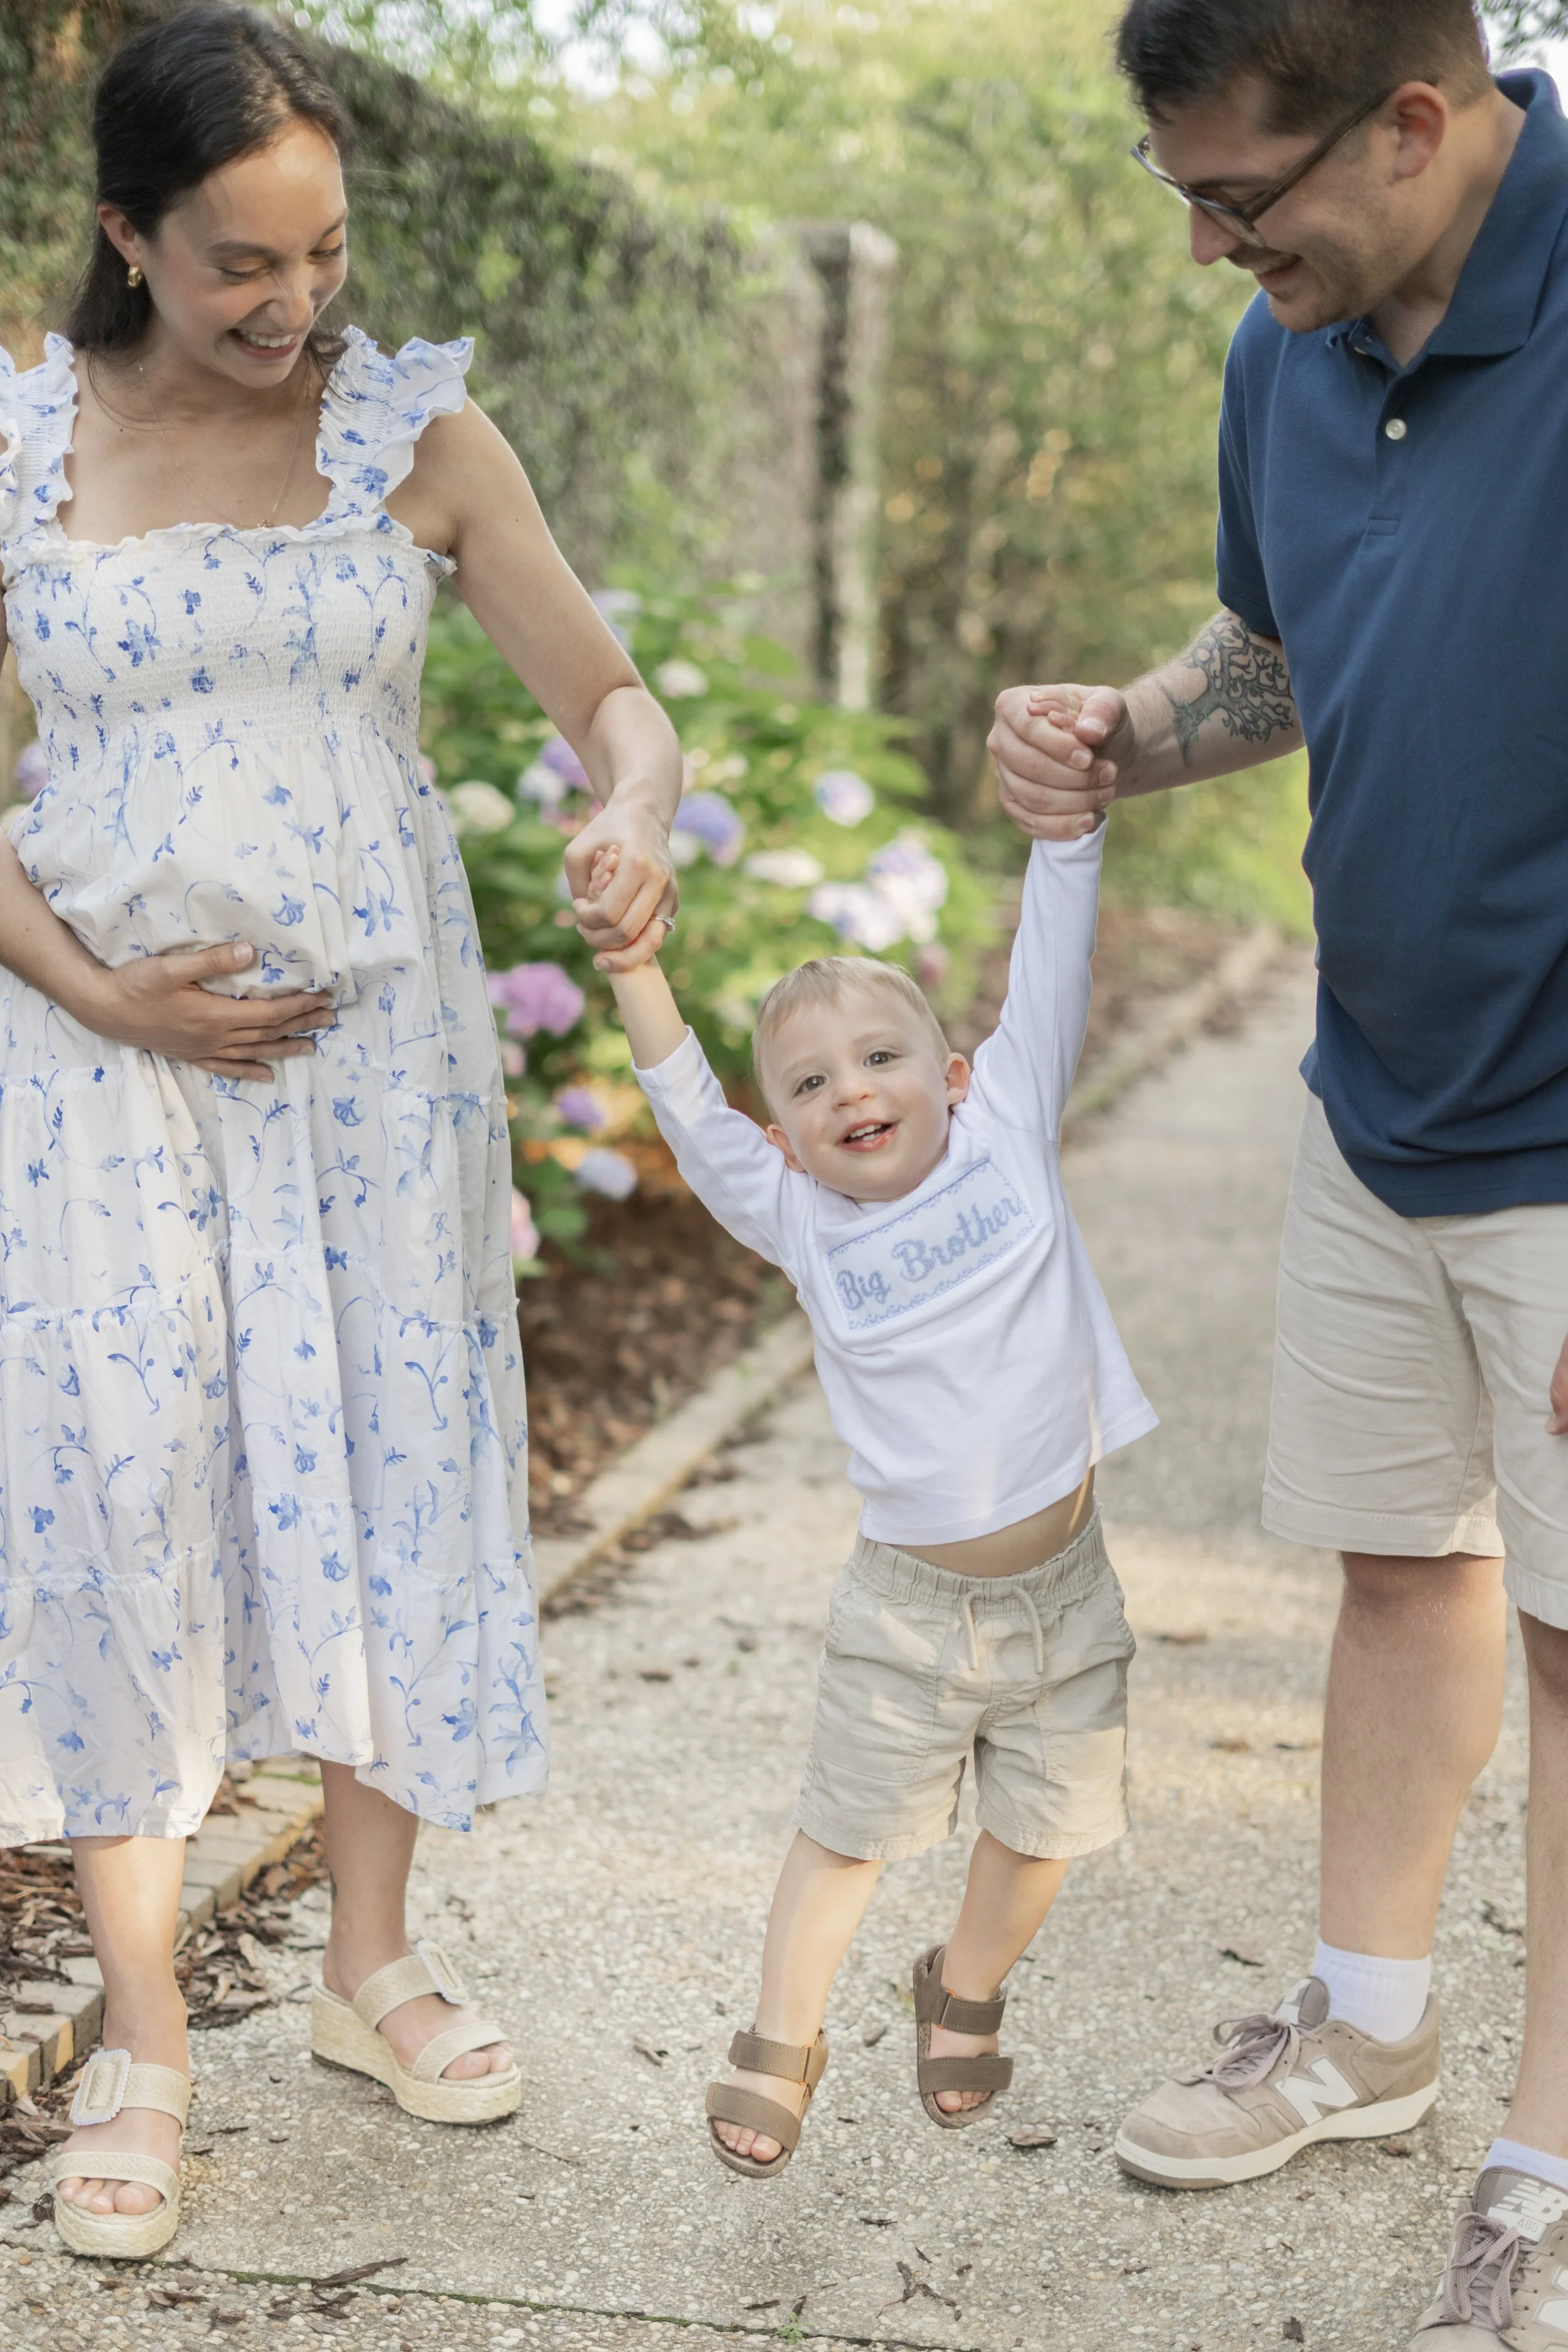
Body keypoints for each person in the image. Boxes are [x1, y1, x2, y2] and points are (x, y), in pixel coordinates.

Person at [0, 3, 679, 2261]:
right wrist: (100, 988)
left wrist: (641, 808)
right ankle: (144, 2035)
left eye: (326, 252)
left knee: (387, 1460)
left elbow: (606, 696)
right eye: (240, 266)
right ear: (129, 236)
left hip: (371, 1090)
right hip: (105, 1092)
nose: (298, 308)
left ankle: (371, 1968)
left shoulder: (418, 430)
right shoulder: (24, 442)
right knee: (127, 1488)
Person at [988, 2, 1568, 2341]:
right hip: (1382, 1092)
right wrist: (1128, 733)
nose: (1220, 250)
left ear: (1415, 121)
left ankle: (1549, 2146)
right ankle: (1370, 2024)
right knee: (1404, 1575)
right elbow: (1283, 647)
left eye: (1247, 197)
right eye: (1186, 200)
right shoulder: (1291, 346)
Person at [578, 817, 1156, 2178]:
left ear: (953, 1078)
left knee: (1044, 1833)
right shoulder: (798, 1220)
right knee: (845, 1836)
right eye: (810, 1083)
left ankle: (958, 1984)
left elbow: (1052, 972)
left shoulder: (1008, 1130)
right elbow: (678, 1097)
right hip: (907, 1614)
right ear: (780, 1136)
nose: (852, 1090)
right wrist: (631, 966)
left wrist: (1063, 837)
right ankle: (784, 2036)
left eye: (882, 1059)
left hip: (1066, 1598)